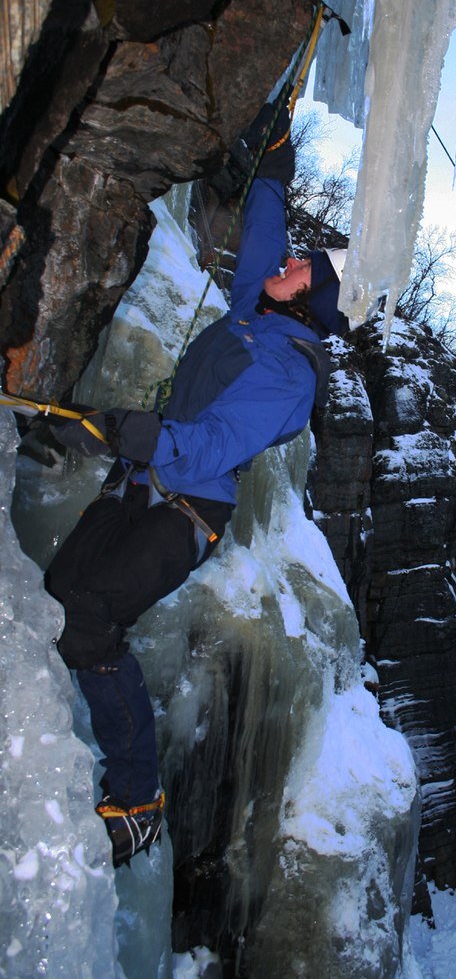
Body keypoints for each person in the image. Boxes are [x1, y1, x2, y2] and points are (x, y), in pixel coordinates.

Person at [45, 101, 348, 867]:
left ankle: (138, 801)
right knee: (60, 593)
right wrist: (275, 164)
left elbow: (215, 444)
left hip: (185, 509)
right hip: (140, 481)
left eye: (300, 271)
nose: (286, 264)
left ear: (306, 300)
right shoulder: (255, 312)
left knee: (93, 623)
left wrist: (139, 434)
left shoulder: (289, 373)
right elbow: (264, 236)